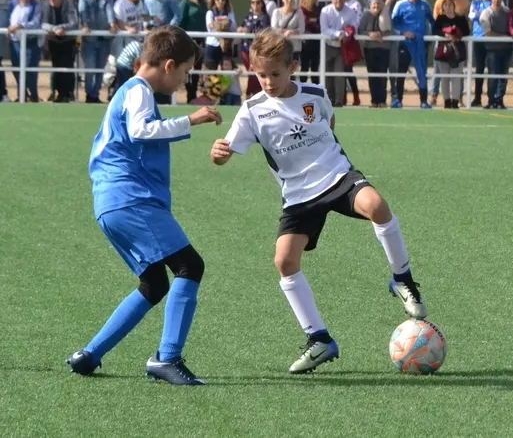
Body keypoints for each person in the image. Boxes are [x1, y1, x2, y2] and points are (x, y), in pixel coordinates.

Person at [209, 29, 428, 374]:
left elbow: (329, 121)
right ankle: (319, 339)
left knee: (377, 206)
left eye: (275, 74)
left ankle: (402, 279)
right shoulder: (251, 111)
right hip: (298, 195)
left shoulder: (315, 94)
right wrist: (218, 154)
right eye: (261, 75)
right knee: (284, 260)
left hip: (337, 177)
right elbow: (225, 153)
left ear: (292, 67)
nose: (268, 81)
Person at [66, 26, 223, 386]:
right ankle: (167, 358)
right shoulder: (138, 90)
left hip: (111, 203)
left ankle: (90, 355)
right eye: (185, 71)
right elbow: (141, 130)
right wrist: (191, 119)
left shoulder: (131, 91)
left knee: (154, 283)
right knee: (190, 266)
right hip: (130, 199)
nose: (185, 80)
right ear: (168, 66)